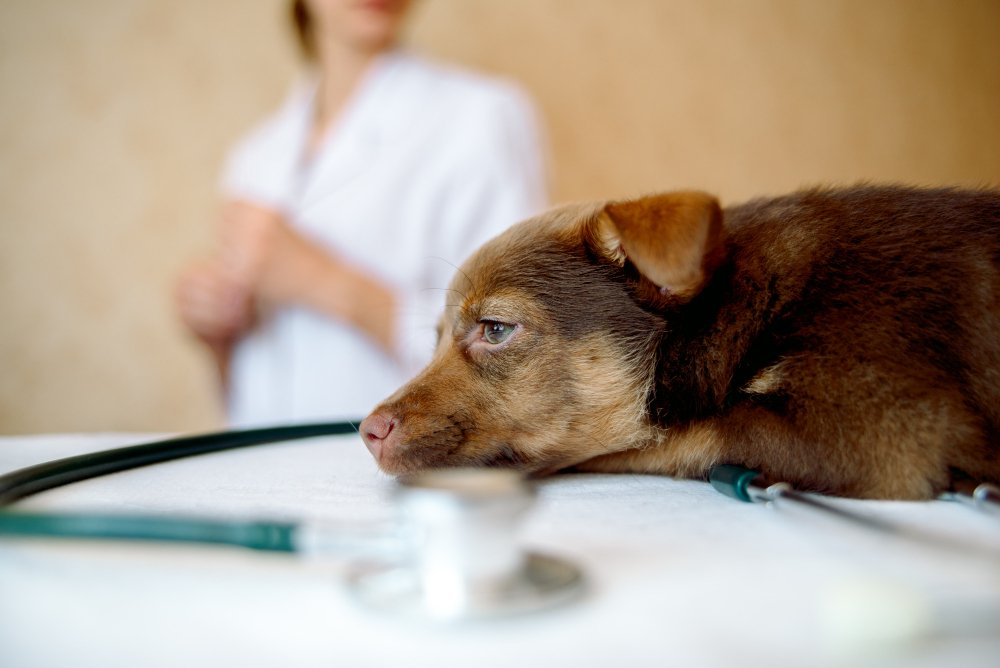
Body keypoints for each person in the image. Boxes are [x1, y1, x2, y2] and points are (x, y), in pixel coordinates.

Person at [175, 0, 548, 426]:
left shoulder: (482, 117)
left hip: (399, 460)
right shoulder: (254, 156)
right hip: (254, 465)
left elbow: (510, 346)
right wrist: (218, 334)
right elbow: (247, 388)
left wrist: (322, 280)